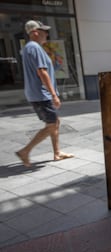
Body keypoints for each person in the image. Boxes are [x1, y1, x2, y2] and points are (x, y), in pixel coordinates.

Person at [15, 20, 73, 167]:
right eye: (43, 31)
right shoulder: (34, 47)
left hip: (39, 93)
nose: (46, 34)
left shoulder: (31, 47)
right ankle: (25, 151)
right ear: (35, 32)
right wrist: (53, 94)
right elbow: (42, 71)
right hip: (41, 94)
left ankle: (57, 153)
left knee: (54, 122)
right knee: (52, 125)